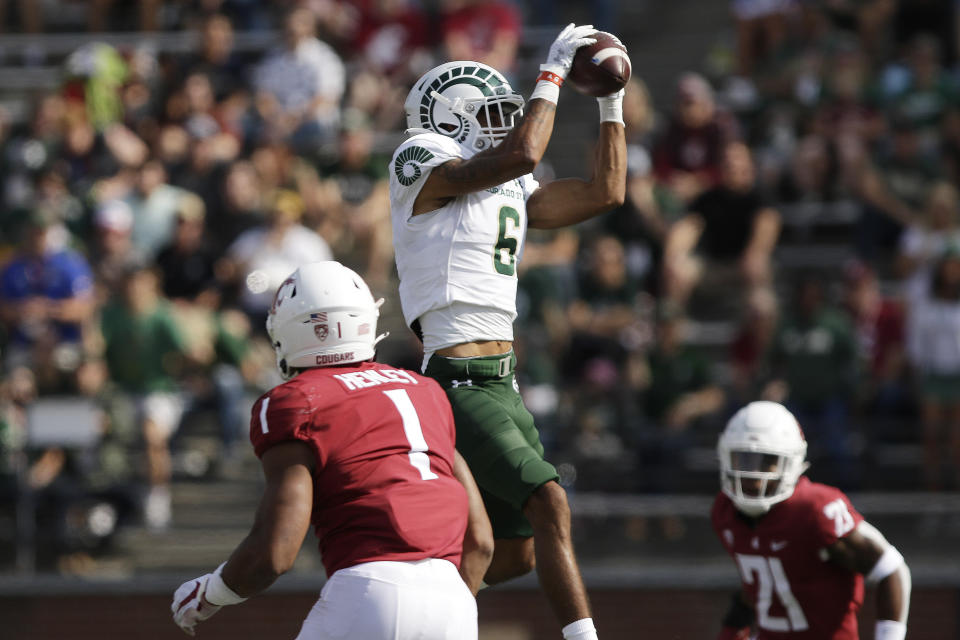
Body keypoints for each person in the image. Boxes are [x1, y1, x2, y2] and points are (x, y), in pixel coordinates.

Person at [388, 24, 627, 640]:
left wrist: (609, 100)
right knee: (549, 501)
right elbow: (520, 154)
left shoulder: (508, 183)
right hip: (456, 377)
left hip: (503, 382)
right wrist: (551, 72)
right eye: (490, 113)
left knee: (510, 553)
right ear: (450, 119)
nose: (503, 123)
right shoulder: (418, 159)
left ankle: (412, 616)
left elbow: (607, 192)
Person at [171, 261, 493, 639]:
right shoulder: (425, 391)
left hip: (370, 585)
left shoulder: (297, 401)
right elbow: (482, 541)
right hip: (453, 601)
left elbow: (277, 551)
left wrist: (211, 593)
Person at [712, 401, 911, 640]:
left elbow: (891, 568)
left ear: (792, 462)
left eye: (767, 461)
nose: (754, 477)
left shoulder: (813, 511)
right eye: (744, 460)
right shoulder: (725, 513)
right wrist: (734, 626)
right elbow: (766, 579)